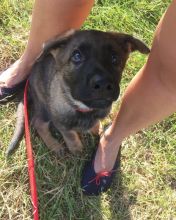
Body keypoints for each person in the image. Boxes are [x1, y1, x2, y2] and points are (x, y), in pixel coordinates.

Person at [1, 0, 176, 195]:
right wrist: (73, 143)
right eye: (77, 57)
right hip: (48, 100)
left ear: (127, 51)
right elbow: (62, 123)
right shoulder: (60, 104)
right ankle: (43, 130)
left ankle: (110, 138)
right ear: (55, 51)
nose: (100, 79)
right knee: (50, 119)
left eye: (113, 59)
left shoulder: (102, 98)